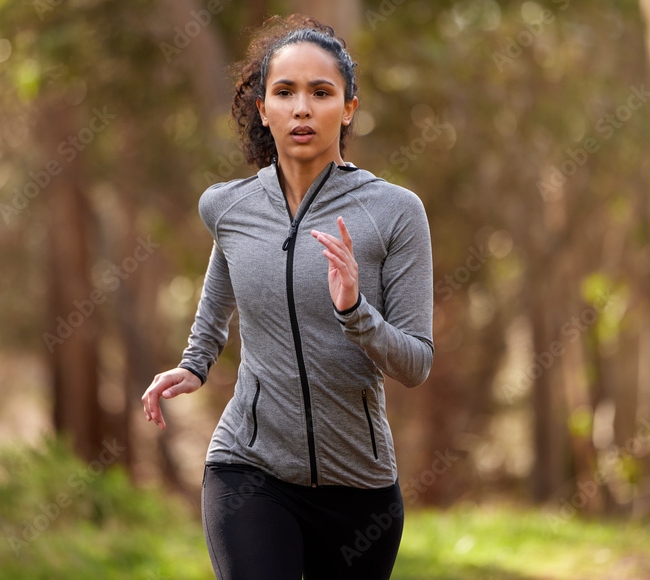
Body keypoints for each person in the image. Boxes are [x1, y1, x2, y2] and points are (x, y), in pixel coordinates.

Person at [141, 14, 434, 580]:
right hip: (248, 468)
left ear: (348, 107)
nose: (302, 108)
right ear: (263, 108)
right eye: (285, 92)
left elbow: (416, 364)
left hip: (359, 490)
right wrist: (195, 363)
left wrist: (355, 311)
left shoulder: (396, 212)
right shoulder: (229, 207)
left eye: (321, 93)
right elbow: (223, 280)